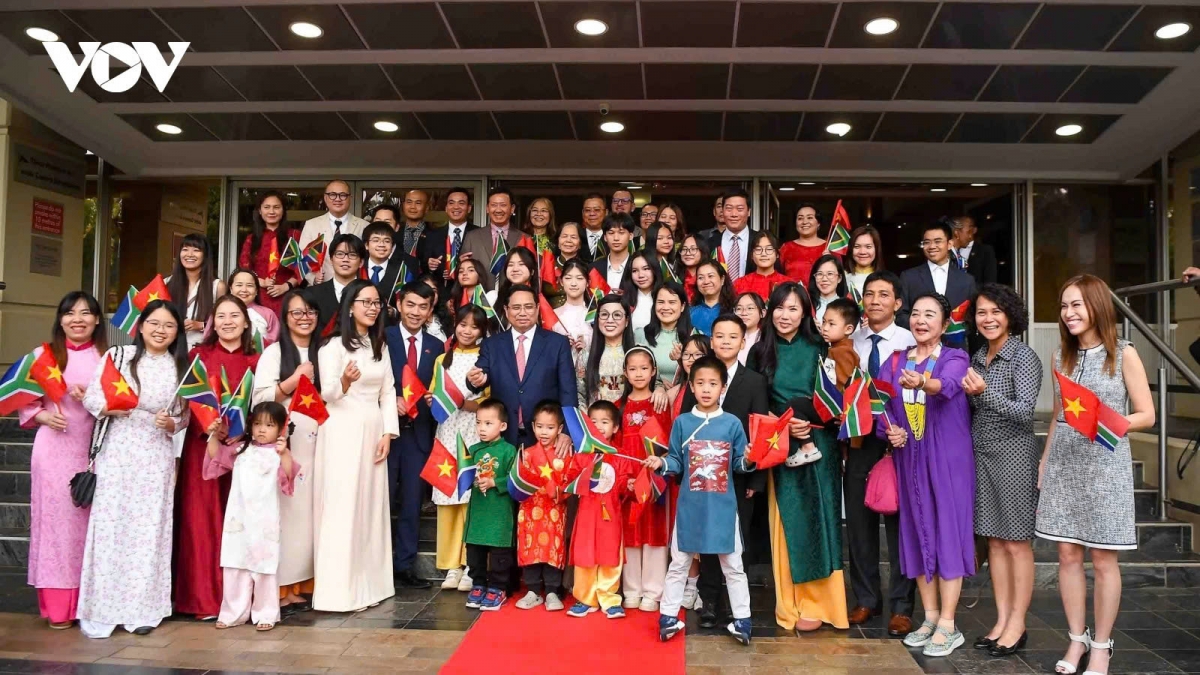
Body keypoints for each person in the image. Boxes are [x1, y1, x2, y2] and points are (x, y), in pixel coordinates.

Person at [1037, 274, 1154, 675]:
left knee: (1103, 560)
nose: (1068, 314)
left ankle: (1102, 647)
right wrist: (1044, 461)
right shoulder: (1060, 358)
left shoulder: (1124, 354)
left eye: (1076, 305)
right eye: (1064, 306)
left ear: (1097, 307)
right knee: (1067, 554)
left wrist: (1104, 419)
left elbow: (1147, 414)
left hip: (1105, 468)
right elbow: (1058, 415)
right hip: (1064, 465)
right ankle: (1076, 640)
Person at [78, 300, 190, 639]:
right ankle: (103, 610)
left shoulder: (180, 368)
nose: (160, 330)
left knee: (148, 530)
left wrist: (171, 424)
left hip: (156, 454)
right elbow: (92, 398)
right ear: (140, 326)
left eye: (169, 325)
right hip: (119, 451)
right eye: (154, 323)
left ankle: (144, 609)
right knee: (111, 526)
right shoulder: (118, 357)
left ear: (176, 333)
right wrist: (112, 408)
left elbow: (185, 416)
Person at [875, 293, 976, 657]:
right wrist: (889, 430)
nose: (920, 320)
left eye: (929, 314)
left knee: (948, 531)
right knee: (916, 533)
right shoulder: (895, 360)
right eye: (915, 314)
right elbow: (879, 406)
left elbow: (947, 387)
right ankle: (930, 617)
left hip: (947, 457)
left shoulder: (954, 356)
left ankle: (949, 623)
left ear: (945, 324)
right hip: (909, 457)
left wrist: (922, 383)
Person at [748, 282, 848, 634]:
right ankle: (790, 602)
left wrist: (817, 422)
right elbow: (756, 407)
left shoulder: (822, 347)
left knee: (820, 518)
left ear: (806, 312)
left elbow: (838, 396)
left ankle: (823, 603)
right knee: (789, 521)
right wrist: (786, 429)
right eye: (779, 307)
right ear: (769, 311)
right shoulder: (760, 351)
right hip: (782, 442)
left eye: (793, 308)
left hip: (820, 442)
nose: (784, 315)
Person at [649, 354, 754, 645]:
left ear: (723, 387)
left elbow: (739, 464)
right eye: (700, 383)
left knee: (733, 565)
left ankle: (742, 620)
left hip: (723, 508)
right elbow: (675, 461)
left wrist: (748, 459)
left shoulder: (732, 424)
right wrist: (662, 464)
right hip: (689, 507)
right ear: (692, 387)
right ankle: (668, 616)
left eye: (713, 383)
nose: (706, 389)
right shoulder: (682, 422)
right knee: (679, 562)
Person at [960, 283, 1041, 657]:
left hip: (1014, 456)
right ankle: (1002, 619)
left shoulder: (1023, 357)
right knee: (993, 541)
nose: (988, 319)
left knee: (1016, 542)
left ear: (1010, 315)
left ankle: (1018, 624)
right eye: (981, 312)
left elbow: (1025, 412)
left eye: (995, 311)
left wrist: (982, 394)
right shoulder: (977, 357)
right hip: (982, 454)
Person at [19, 291, 106, 629]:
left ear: (97, 320)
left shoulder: (107, 360)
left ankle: (88, 602)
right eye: (70, 313)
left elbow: (119, 405)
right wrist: (42, 417)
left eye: (86, 313)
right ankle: (57, 608)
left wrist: (93, 399)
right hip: (52, 451)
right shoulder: (43, 356)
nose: (78, 319)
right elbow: (26, 402)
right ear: (60, 320)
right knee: (55, 527)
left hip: (92, 453)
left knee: (87, 528)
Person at [312, 280, 400, 611]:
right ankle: (341, 591)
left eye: (377, 303)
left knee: (370, 507)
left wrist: (388, 433)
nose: (373, 308)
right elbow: (326, 395)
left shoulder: (380, 345)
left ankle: (372, 585)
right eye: (366, 302)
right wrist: (345, 382)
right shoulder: (331, 347)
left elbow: (388, 391)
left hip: (373, 429)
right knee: (344, 506)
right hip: (342, 430)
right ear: (350, 306)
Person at [174, 295, 260, 620]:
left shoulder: (257, 360)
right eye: (220, 316)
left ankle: (239, 598)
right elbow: (188, 401)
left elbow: (261, 402)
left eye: (234, 315)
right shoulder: (199, 356)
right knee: (202, 522)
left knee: (238, 523)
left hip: (242, 449)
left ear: (246, 322)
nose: (227, 321)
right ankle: (203, 600)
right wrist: (208, 427)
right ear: (212, 323)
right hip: (203, 447)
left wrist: (243, 432)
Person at [680, 315, 769, 628]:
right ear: (712, 340)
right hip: (702, 475)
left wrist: (756, 479)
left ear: (743, 342)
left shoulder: (755, 381)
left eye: (733, 336)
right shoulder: (699, 375)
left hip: (739, 476)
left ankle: (736, 605)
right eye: (720, 336)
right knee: (706, 541)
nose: (726, 341)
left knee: (734, 543)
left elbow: (759, 434)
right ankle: (709, 602)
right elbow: (685, 425)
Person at [847, 271, 917, 635]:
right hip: (859, 440)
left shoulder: (909, 341)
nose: (874, 300)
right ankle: (866, 600)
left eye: (883, 294)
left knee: (899, 526)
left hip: (899, 440)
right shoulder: (850, 340)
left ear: (898, 302)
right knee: (859, 524)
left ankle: (902, 606)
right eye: (869, 294)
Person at [251, 289, 321, 613]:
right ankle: (283, 586)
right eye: (296, 312)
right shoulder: (275, 352)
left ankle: (311, 581)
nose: (304, 318)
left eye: (310, 312)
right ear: (285, 317)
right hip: (287, 445)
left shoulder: (327, 350)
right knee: (289, 516)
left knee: (313, 514)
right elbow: (260, 398)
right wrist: (293, 380)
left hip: (320, 441)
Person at [205, 402, 298, 632]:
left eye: (269, 425)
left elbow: (289, 477)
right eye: (257, 424)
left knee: (265, 567)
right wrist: (213, 437)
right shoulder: (240, 450)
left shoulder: (278, 454)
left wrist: (285, 452)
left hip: (265, 521)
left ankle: (267, 612)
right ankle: (232, 613)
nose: (261, 430)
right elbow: (217, 459)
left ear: (281, 428)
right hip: (238, 519)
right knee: (235, 565)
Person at [467, 285, 579, 449]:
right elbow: (479, 376)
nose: (522, 312)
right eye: (516, 307)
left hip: (545, 436)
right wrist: (475, 380)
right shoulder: (492, 345)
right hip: (502, 437)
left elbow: (568, 391)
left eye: (528, 307)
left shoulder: (557, 343)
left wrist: (567, 432)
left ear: (537, 308)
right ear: (506, 310)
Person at [385, 282, 445, 589]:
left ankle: (404, 566)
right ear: (399, 302)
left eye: (423, 307)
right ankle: (375, 567)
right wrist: (387, 402)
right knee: (379, 502)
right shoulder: (382, 337)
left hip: (419, 434)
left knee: (411, 503)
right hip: (385, 433)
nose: (416, 312)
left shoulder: (438, 346)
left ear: (430, 310)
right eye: (410, 305)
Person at [433, 305, 491, 593]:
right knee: (447, 499)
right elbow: (435, 394)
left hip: (472, 433)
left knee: (470, 499)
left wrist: (462, 402)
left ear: (482, 331)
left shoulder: (485, 359)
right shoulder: (443, 359)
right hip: (446, 433)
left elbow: (487, 402)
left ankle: (470, 564)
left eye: (474, 326)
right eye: (463, 324)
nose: (467, 330)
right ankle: (450, 566)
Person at [565, 400, 635, 619]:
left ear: (615, 428)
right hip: (586, 514)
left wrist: (630, 485)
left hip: (610, 515)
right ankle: (585, 598)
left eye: (604, 422)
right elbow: (570, 481)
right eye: (593, 422)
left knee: (610, 555)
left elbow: (624, 485)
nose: (598, 426)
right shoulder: (582, 455)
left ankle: (609, 598)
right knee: (585, 555)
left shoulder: (621, 456)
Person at [618, 348, 673, 612]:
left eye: (644, 368)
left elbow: (667, 442)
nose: (638, 373)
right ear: (625, 373)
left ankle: (653, 590)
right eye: (633, 369)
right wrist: (624, 479)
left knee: (654, 531)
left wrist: (656, 473)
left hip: (654, 478)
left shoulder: (660, 403)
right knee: (630, 530)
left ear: (653, 372)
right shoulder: (620, 406)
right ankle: (631, 589)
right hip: (628, 479)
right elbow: (615, 447)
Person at [462, 398, 518, 611]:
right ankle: (478, 584)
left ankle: (497, 587)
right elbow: (464, 477)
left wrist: (495, 482)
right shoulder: (473, 450)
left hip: (499, 512)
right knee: (475, 550)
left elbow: (515, 480)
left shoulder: (509, 451)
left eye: (488, 423)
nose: (481, 428)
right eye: (478, 423)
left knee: (498, 552)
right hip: (478, 511)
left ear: (502, 426)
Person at [514, 401, 571, 612]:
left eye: (550, 427)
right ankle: (532, 591)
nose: (544, 432)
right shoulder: (526, 453)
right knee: (531, 548)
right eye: (539, 426)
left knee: (553, 550)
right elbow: (518, 481)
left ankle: (552, 591)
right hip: (529, 512)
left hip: (554, 512)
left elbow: (569, 483)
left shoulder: (565, 454)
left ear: (560, 429)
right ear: (532, 426)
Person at [898, 219, 976, 329]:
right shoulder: (908, 277)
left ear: (949, 244)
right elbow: (901, 315)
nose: (931, 246)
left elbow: (972, 318)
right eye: (926, 242)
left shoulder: (967, 281)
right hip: (917, 342)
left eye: (937, 241)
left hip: (955, 344)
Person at [238, 190, 299, 316]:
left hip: (288, 297)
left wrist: (286, 286)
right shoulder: (252, 239)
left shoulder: (294, 236)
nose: (271, 211)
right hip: (257, 298)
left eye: (276, 207)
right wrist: (261, 282)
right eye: (267, 207)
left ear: (283, 211)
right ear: (260, 211)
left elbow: (303, 268)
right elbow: (244, 269)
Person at [299, 180, 368, 284]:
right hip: (320, 287)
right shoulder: (311, 225)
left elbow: (368, 259)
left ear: (350, 198)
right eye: (332, 195)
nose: (337, 199)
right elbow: (302, 258)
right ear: (325, 198)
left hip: (354, 288)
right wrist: (313, 278)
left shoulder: (364, 226)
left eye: (343, 195)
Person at [166, 233, 225, 350]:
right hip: (170, 348)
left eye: (196, 250)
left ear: (205, 255)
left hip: (201, 349)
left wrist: (201, 326)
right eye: (185, 249)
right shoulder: (166, 283)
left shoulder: (217, 286)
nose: (189, 254)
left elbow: (224, 320)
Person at [636, 282, 693, 398]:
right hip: (649, 401)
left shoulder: (694, 336)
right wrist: (658, 384)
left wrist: (682, 361)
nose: (665, 307)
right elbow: (631, 369)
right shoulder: (640, 334)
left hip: (683, 402)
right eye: (661, 302)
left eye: (672, 302)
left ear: (682, 306)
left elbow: (702, 374)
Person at [460, 188, 525, 288]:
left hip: (512, 298)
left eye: (503, 205)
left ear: (512, 208)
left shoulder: (524, 238)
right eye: (494, 205)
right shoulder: (472, 237)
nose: (498, 210)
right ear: (487, 208)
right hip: (479, 298)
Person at [577, 295, 633, 406]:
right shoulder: (585, 355)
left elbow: (656, 384)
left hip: (630, 419)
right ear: (597, 320)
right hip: (596, 421)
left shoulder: (638, 353)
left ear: (626, 321)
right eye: (604, 315)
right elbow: (579, 395)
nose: (610, 320)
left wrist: (660, 390)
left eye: (617, 315)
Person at [422, 187, 477, 292]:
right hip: (441, 294)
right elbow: (424, 267)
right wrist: (429, 266)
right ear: (446, 208)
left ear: (469, 208)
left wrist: (458, 266)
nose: (456, 207)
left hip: (470, 292)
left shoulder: (478, 234)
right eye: (451, 203)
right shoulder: (432, 235)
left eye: (461, 203)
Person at [310, 234, 366, 333]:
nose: (345, 259)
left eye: (352, 255)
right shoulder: (313, 294)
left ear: (361, 262)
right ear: (331, 260)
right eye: (340, 254)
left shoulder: (371, 294)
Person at [362, 223, 410, 323]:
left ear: (392, 246)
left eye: (387, 241)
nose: (381, 245)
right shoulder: (358, 267)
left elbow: (409, 300)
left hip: (388, 327)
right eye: (376, 240)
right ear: (366, 245)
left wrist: (395, 312)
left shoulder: (402, 270)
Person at [224, 268, 280, 346]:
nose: (244, 290)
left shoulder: (268, 314)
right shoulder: (220, 312)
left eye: (249, 285)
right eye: (239, 285)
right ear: (231, 289)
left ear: (256, 290)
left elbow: (274, 345)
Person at [708, 188, 752, 285]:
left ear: (749, 212)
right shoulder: (710, 243)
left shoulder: (759, 241)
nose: (734, 214)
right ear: (722, 211)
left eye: (740, 209)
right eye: (729, 209)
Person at [780, 203, 830, 283]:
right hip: (793, 294)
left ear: (818, 223)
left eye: (810, 217)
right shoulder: (786, 247)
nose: (804, 222)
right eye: (800, 218)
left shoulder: (829, 247)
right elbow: (778, 276)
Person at [733, 231, 789, 301]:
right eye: (758, 249)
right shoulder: (739, 284)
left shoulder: (788, 284)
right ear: (751, 255)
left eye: (769, 249)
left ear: (777, 254)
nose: (763, 254)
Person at [553, 260, 593, 351]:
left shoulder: (594, 315)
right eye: (568, 278)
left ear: (587, 282)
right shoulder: (554, 316)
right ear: (561, 282)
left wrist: (585, 349)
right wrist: (562, 345)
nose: (573, 283)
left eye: (579, 278)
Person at [591, 213, 635, 292]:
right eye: (611, 233)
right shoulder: (594, 268)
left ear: (631, 236)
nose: (616, 238)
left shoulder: (637, 266)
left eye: (621, 233)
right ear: (605, 237)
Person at [690, 260, 735, 336]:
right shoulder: (689, 313)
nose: (706, 281)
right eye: (701, 278)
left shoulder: (735, 310)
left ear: (722, 279)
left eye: (710, 276)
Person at [952, 216, 997, 286]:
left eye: (970, 230)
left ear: (974, 230)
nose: (970, 236)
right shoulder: (950, 251)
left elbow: (990, 281)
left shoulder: (985, 251)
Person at [623, 252, 662, 332]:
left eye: (646, 269)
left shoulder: (666, 298)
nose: (641, 275)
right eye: (634, 271)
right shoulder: (624, 301)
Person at [809, 254, 848, 326]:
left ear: (839, 278)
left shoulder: (848, 306)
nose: (824, 279)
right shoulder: (807, 305)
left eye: (830, 274)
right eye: (820, 274)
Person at [395, 189, 432, 263]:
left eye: (418, 203)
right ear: (403, 205)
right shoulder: (395, 232)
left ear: (426, 208)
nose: (412, 207)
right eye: (409, 202)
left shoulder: (435, 234)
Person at [845, 225, 883, 296]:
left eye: (868, 247)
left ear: (876, 249)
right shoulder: (842, 278)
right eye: (857, 246)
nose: (862, 252)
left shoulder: (886, 280)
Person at [733, 293, 764, 365]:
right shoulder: (727, 338)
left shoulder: (766, 338)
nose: (744, 313)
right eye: (739, 309)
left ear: (763, 313)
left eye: (750, 308)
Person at [679, 234, 711, 302]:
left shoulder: (710, 276)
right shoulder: (673, 276)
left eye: (693, 249)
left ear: (703, 251)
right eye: (684, 249)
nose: (687, 253)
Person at [580, 193, 608, 261]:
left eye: (597, 210)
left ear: (606, 212)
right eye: (587, 210)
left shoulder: (613, 237)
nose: (592, 214)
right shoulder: (576, 235)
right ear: (582, 213)